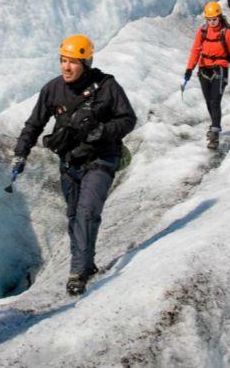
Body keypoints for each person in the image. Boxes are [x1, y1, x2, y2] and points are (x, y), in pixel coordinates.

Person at [11, 35, 136, 296]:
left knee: (87, 213)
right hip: (69, 161)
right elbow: (34, 124)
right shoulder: (53, 89)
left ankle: (77, 272)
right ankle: (87, 264)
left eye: (73, 62)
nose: (66, 67)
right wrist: (21, 153)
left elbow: (127, 119)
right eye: (63, 61)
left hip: (102, 158)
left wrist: (101, 131)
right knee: (73, 216)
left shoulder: (107, 87)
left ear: (86, 63)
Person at [184, 2, 230, 152]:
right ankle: (214, 125)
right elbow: (195, 50)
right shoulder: (203, 31)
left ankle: (215, 132)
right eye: (209, 19)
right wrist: (189, 68)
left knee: (215, 100)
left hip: (220, 68)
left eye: (214, 19)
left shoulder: (226, 33)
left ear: (219, 17)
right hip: (204, 69)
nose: (212, 22)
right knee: (208, 101)